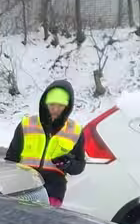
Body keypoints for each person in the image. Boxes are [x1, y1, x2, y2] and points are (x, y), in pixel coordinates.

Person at [5, 79, 85, 207]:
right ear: (44, 104)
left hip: (53, 189)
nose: (55, 110)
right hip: (24, 183)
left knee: (44, 222)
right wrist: (9, 180)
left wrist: (69, 164)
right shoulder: (26, 124)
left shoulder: (75, 131)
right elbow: (11, 158)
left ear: (67, 107)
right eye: (51, 105)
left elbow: (80, 165)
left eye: (60, 106)